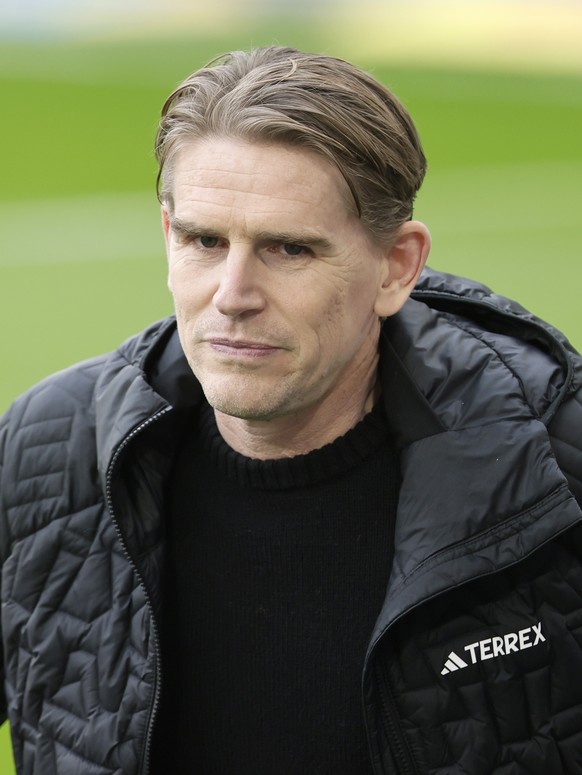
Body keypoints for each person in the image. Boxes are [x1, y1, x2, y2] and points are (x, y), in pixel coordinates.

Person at [1, 45, 582, 775]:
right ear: (166, 235)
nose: (233, 293)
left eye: (288, 249)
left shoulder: (555, 459)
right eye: (205, 240)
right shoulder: (45, 448)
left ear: (397, 266)